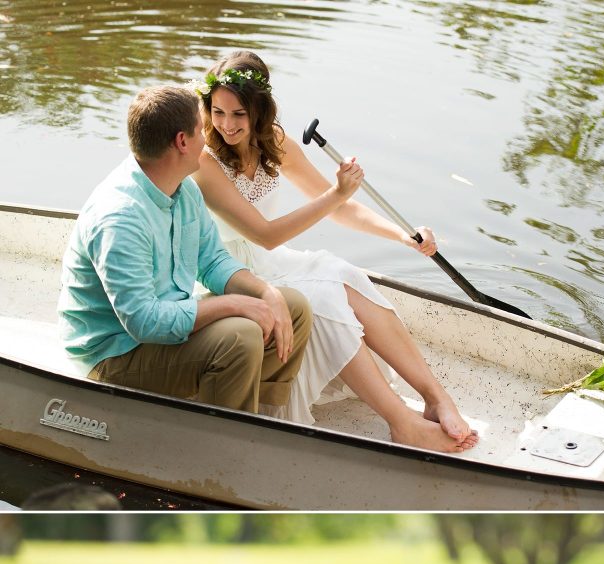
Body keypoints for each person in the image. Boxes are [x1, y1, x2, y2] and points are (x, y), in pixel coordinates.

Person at [191, 51, 479, 454]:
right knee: (322, 296)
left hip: (269, 263)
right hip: (226, 276)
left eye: (239, 114)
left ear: (259, 110)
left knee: (341, 273)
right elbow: (267, 234)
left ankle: (435, 397)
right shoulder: (204, 160)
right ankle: (402, 423)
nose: (227, 124)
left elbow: (341, 208)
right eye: (218, 112)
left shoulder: (274, 141)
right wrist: (335, 193)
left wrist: (403, 235)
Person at [58, 85, 312, 415]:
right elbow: (144, 322)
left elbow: (212, 260)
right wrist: (233, 304)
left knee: (290, 305)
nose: (208, 138)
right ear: (182, 142)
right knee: (239, 337)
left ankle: (256, 415)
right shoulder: (120, 218)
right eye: (201, 129)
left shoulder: (184, 188)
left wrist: (266, 293)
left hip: (164, 320)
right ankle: (222, 438)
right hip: (114, 353)